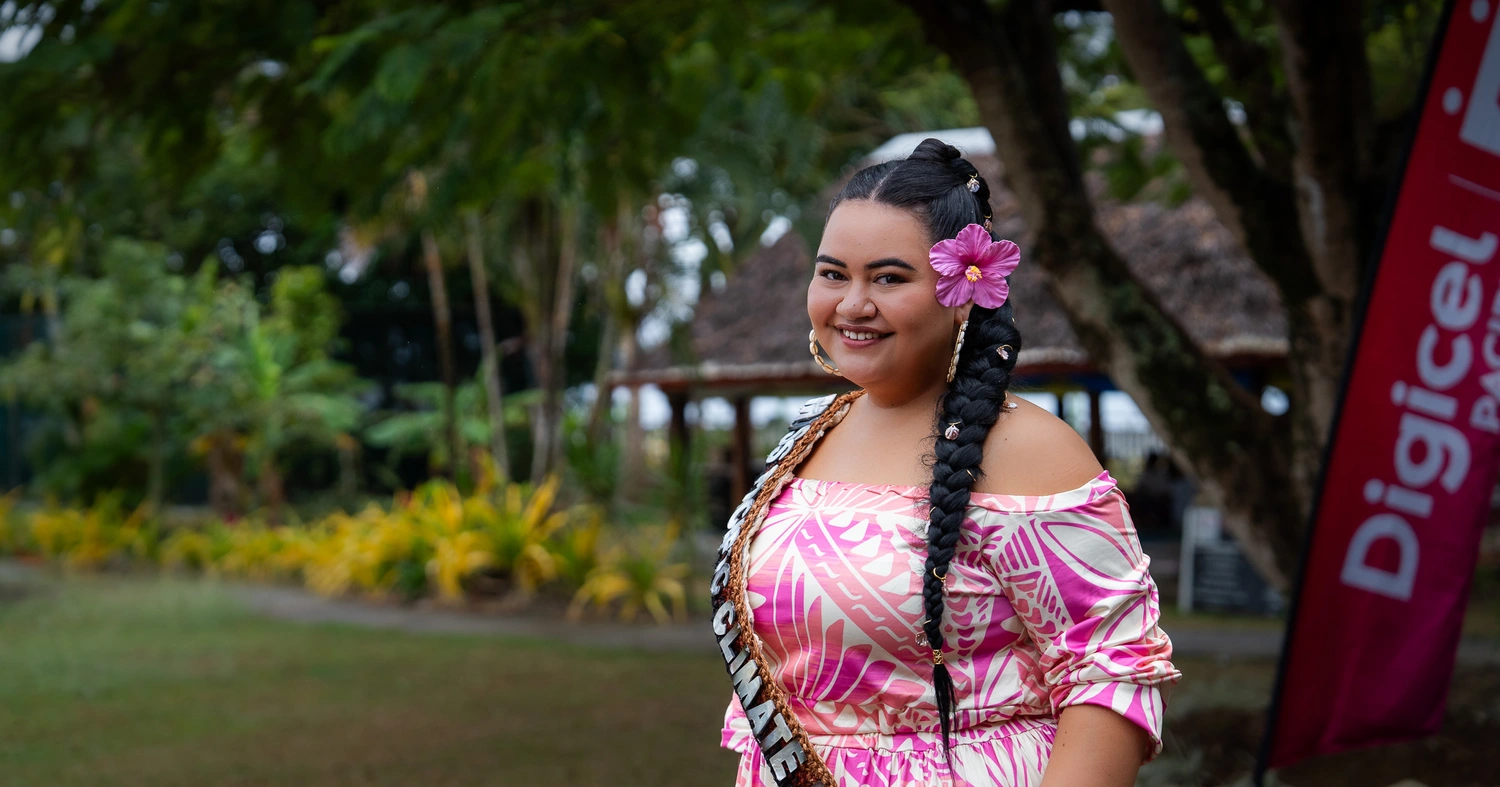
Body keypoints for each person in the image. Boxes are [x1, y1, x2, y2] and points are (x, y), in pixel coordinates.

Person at [714, 139, 1179, 786]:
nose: (852, 304)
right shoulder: (808, 433)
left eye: (889, 278)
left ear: (963, 289)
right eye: (833, 274)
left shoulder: (1029, 451)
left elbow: (1110, 672)